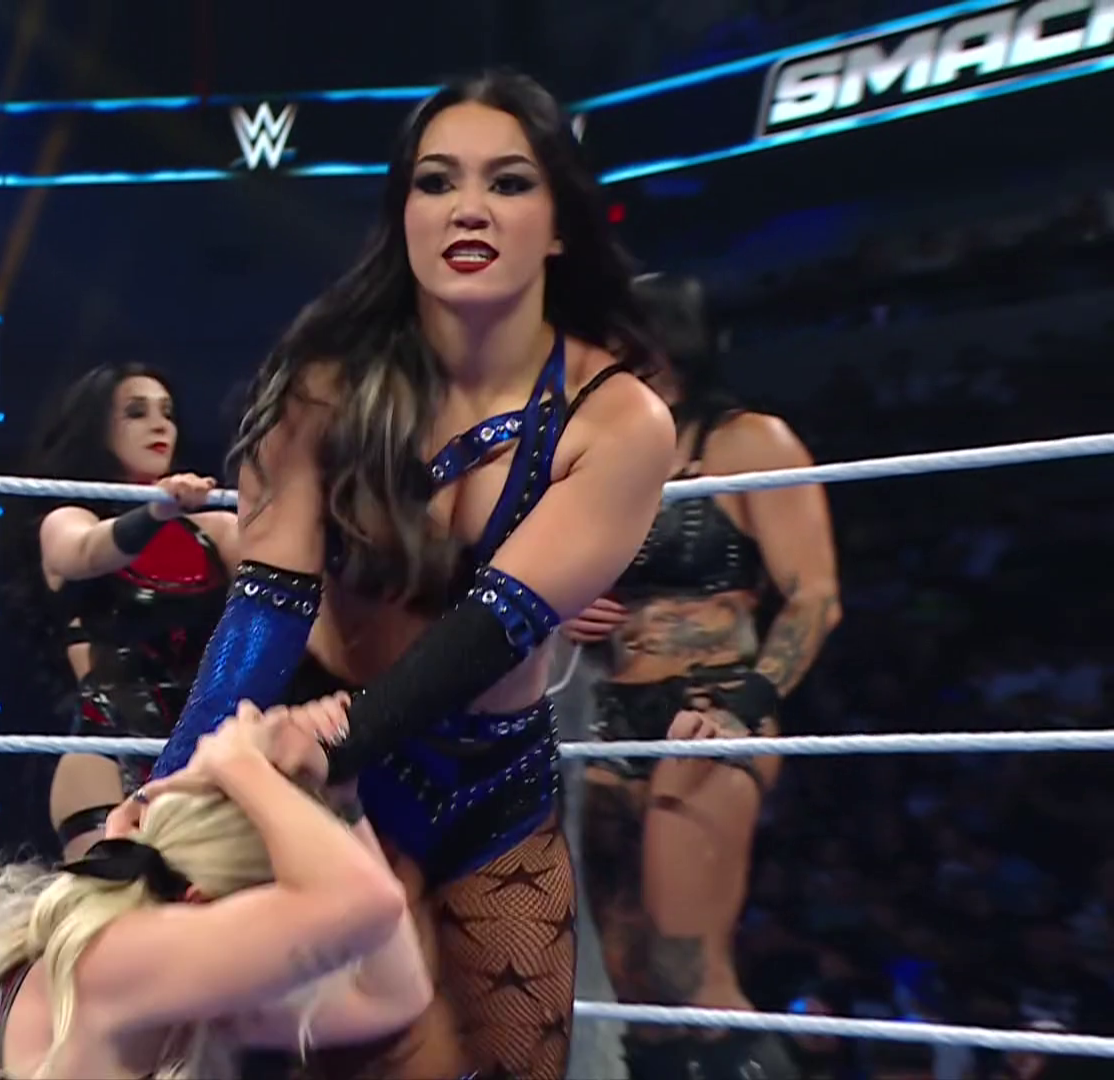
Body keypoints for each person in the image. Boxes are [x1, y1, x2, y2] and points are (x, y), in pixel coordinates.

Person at [146, 71, 677, 1079]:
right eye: (438, 181)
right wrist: (173, 792)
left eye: (508, 182)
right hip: (331, 777)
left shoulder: (619, 421)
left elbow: (493, 629)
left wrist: (332, 739)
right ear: (404, 215)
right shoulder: (324, 383)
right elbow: (268, 605)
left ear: (560, 224)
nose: (468, 208)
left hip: (488, 775)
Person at [560, 272, 840, 1079]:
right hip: (605, 716)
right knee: (633, 981)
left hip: (707, 704)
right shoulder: (599, 460)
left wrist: (742, 707)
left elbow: (815, 596)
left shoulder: (749, 442)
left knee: (689, 972)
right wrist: (567, 606)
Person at [0, 698, 433, 1079]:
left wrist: (340, 804)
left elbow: (393, 997)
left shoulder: (161, 990)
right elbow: (368, 904)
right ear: (199, 901)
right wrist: (238, 764)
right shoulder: (111, 962)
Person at [16, 364, 239, 856]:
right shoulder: (67, 518)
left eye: (167, 413)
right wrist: (157, 510)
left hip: (205, 755)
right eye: (137, 413)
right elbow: (86, 552)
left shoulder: (215, 531)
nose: (160, 425)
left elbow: (291, 578)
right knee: (118, 899)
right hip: (109, 755)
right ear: (98, 427)